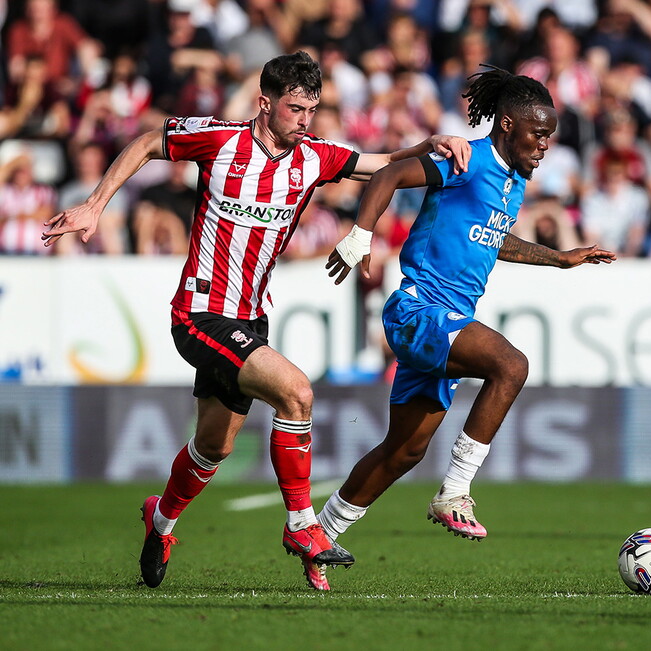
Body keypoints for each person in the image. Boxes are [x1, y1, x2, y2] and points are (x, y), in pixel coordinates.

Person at [40, 51, 471, 592]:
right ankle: (303, 525)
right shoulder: (220, 141)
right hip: (200, 312)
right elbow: (149, 141)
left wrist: (433, 144)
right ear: (265, 103)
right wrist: (95, 204)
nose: (305, 121)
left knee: (213, 447)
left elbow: (380, 162)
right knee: (297, 393)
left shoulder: (314, 157)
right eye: (295, 109)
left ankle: (160, 521)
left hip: (250, 319)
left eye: (312, 110)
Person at [318, 65, 616, 578]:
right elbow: (389, 175)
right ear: (507, 125)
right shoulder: (468, 158)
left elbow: (493, 238)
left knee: (404, 451)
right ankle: (455, 491)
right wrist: (360, 234)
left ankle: (320, 533)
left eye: (549, 136)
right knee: (511, 365)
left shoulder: (513, 181)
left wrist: (558, 258)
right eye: (538, 133)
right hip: (419, 310)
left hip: (448, 319)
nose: (545, 145)